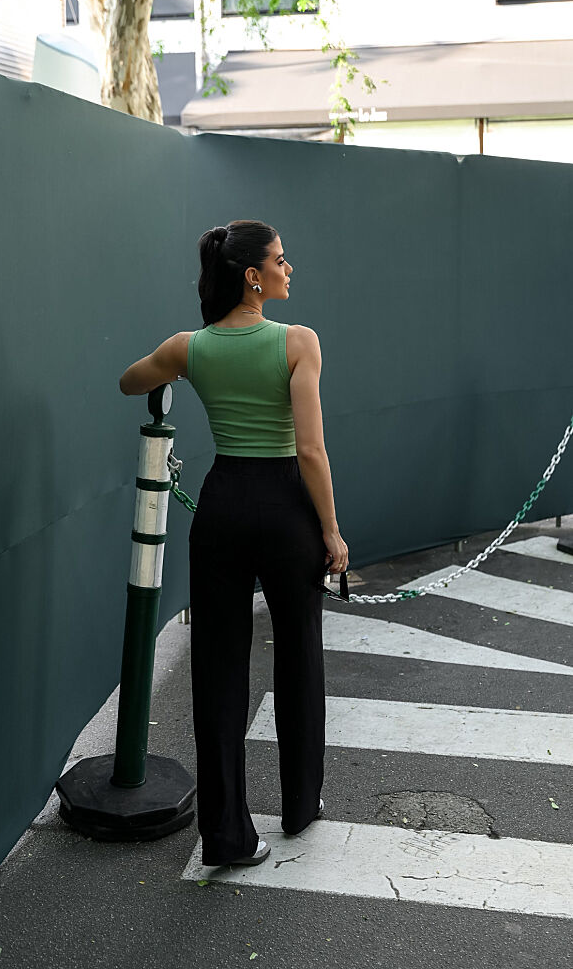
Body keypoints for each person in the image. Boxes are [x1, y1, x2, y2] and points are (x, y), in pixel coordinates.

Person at [119, 219, 349, 867]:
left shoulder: (188, 347)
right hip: (286, 509)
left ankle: (226, 837)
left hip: (221, 506)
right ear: (253, 276)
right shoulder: (297, 342)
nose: (288, 268)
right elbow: (310, 450)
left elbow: (130, 381)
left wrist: (171, 377)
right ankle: (300, 806)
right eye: (280, 260)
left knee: (218, 671)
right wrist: (331, 531)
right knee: (299, 657)